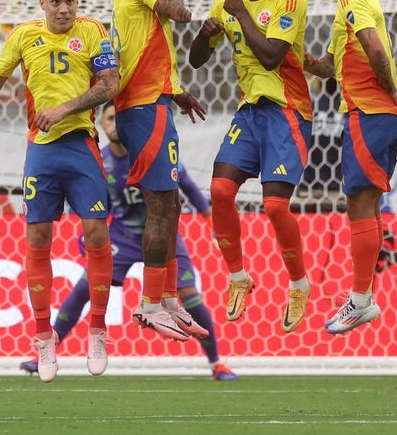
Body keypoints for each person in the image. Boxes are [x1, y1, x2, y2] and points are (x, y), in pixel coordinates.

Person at [0, 0, 120, 382]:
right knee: (39, 239)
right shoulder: (24, 35)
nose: (64, 9)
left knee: (97, 234)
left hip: (81, 146)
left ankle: (97, 331)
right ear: (42, 3)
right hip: (42, 151)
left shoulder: (93, 30)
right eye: (56, 2)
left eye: (70, 1)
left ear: (78, 1)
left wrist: (65, 109)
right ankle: (44, 337)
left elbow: (110, 85)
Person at [19, 102, 239, 381]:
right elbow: (98, 205)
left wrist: (212, 223)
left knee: (191, 299)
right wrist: (85, 234)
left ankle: (217, 363)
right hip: (123, 236)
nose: (113, 124)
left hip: (162, 236)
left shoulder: (150, 150)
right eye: (108, 119)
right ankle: (47, 349)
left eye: (117, 118)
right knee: (83, 289)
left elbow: (190, 190)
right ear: (100, 123)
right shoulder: (101, 160)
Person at [189, 0, 314, 332]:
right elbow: (197, 60)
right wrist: (205, 33)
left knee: (275, 206)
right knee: (220, 191)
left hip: (288, 111)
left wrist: (240, 13)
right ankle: (238, 277)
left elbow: (272, 56)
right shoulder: (225, 3)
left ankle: (299, 284)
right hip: (248, 112)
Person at [304, 0, 397, 334]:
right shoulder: (350, 5)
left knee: (360, 204)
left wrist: (392, 90)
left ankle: (361, 301)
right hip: (375, 114)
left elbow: (375, 49)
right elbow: (329, 67)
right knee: (367, 204)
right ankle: (362, 298)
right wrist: (296, 56)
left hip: (371, 112)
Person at [111, 0, 207, 342]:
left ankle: (168, 298)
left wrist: (178, 92)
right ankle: (150, 304)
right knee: (160, 207)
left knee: (172, 205)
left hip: (156, 103)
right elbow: (178, 11)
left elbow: (147, 49)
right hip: (142, 108)